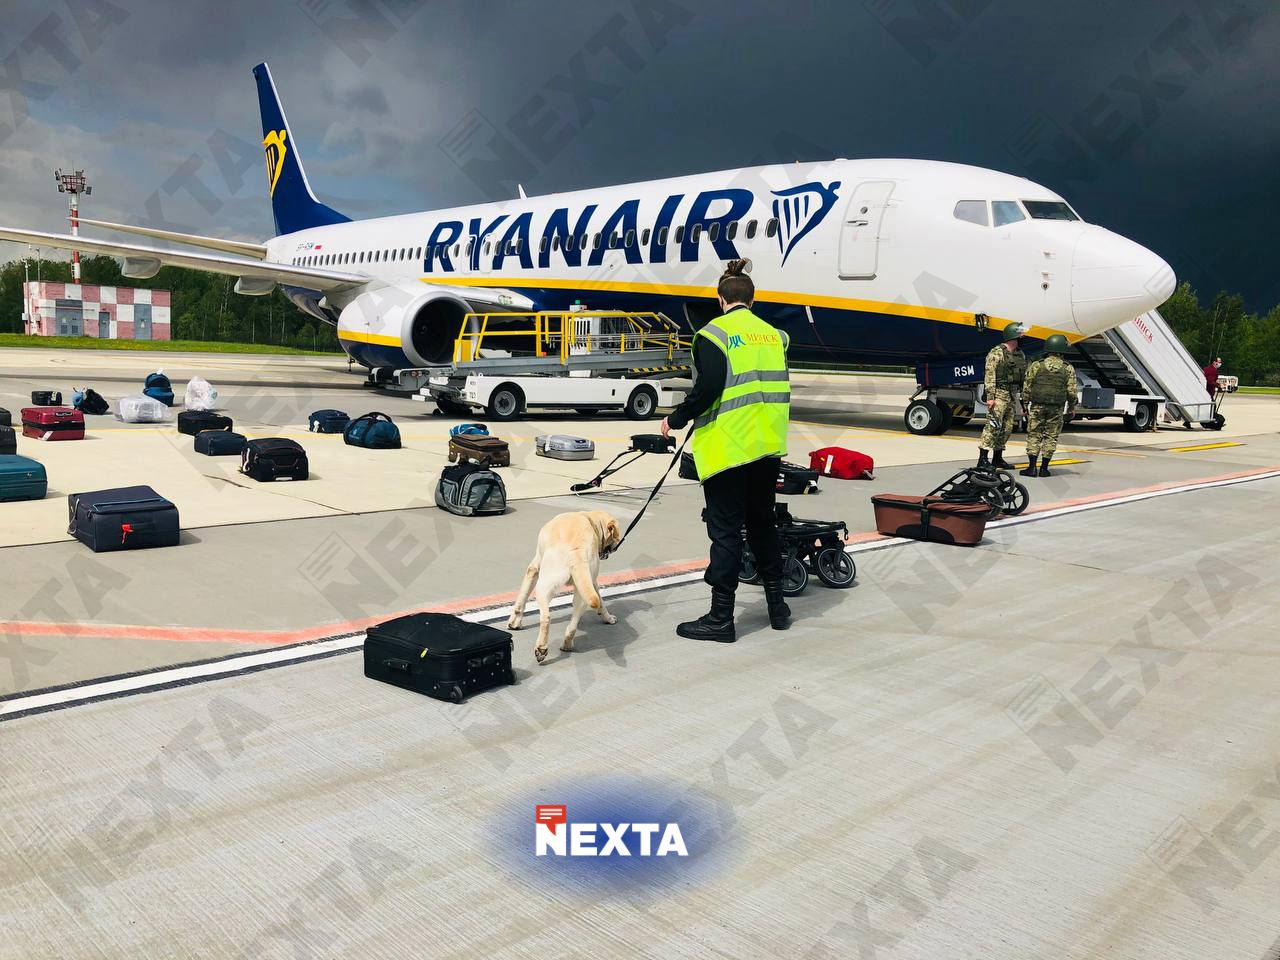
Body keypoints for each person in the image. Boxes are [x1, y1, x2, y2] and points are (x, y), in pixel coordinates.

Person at [661, 260, 791, 643]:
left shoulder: (713, 334)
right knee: (763, 524)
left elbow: (709, 387)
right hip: (767, 447)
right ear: (752, 299)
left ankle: (721, 618)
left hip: (729, 449)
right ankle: (777, 606)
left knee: (726, 533)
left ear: (721, 300)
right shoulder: (775, 337)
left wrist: (677, 417)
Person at [1020, 335, 1077, 478]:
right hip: (1056, 408)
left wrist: (1025, 405)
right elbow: (1071, 391)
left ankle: (1032, 468)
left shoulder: (1037, 365)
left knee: (1034, 435)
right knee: (1051, 436)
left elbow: (1027, 386)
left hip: (1037, 406)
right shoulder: (1067, 368)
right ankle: (1044, 469)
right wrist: (1071, 407)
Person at [978, 322, 1027, 469]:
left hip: (1011, 395)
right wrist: (990, 397)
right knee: (993, 426)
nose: (1022, 338)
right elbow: (990, 375)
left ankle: (997, 458)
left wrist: (1023, 399)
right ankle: (982, 459)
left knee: (1006, 428)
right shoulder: (996, 353)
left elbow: (1022, 376)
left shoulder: (1019, 354)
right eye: (1020, 335)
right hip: (999, 394)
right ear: (1013, 336)